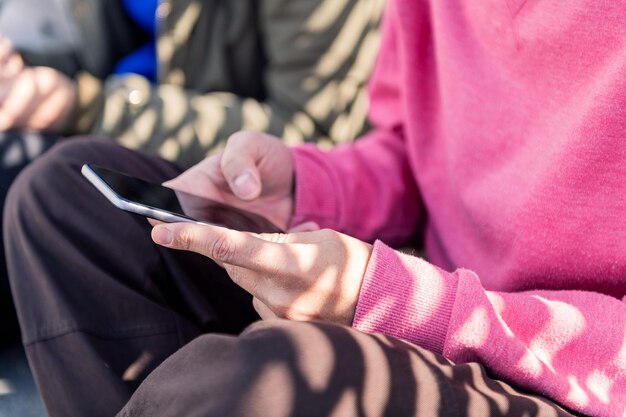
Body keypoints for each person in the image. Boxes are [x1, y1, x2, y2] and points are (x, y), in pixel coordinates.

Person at [5, 0, 625, 416]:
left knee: (254, 382)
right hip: (431, 295)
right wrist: (306, 185)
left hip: (571, 378)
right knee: (66, 205)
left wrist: (398, 300)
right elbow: (409, 151)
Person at [0, 0, 386, 345]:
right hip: (122, 128)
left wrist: (85, 105)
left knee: (53, 193)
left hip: (220, 177)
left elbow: (311, 132)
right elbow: (99, 53)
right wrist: (23, 75)